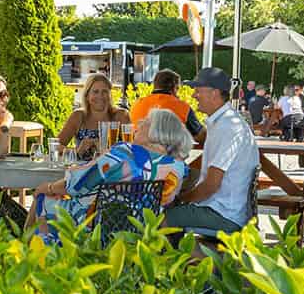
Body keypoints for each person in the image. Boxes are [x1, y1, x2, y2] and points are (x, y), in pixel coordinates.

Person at [32, 108, 191, 230]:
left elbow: (77, 183)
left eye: (146, 122)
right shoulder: (176, 168)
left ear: (156, 133)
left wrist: (49, 187)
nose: (140, 123)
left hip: (96, 224)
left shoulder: (125, 154)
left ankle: (39, 256)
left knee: (44, 199)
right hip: (140, 228)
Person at [165, 67, 260, 236]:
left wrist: (182, 199)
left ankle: (179, 259)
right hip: (222, 209)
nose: (194, 95)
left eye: (198, 90)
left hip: (225, 215)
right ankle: (186, 257)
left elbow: (211, 185)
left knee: (157, 218)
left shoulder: (227, 126)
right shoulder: (224, 121)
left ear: (214, 93)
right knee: (164, 211)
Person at [57, 72, 130, 160]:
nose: (100, 96)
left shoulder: (121, 115)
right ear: (87, 96)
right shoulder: (78, 116)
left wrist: (108, 149)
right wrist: (77, 150)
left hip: (114, 170)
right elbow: (56, 146)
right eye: (95, 92)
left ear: (110, 95)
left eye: (105, 91)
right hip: (83, 170)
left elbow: (132, 148)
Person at [131, 68, 204, 140]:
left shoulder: (137, 104)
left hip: (139, 149)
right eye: (178, 89)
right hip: (169, 150)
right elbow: (200, 135)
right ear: (175, 87)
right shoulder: (182, 107)